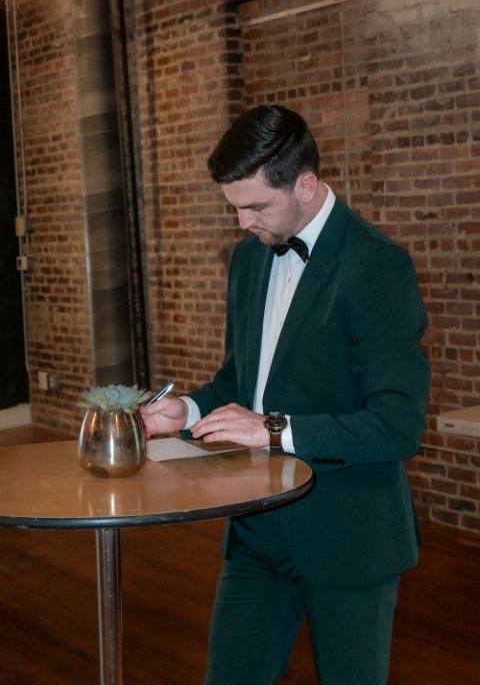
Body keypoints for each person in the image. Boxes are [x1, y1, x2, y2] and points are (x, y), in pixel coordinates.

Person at [141, 104, 430, 685]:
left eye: (255, 207)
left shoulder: (377, 266)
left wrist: (270, 428)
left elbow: (397, 426)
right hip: (255, 530)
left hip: (347, 536)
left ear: (305, 184)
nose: (241, 222)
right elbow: (240, 382)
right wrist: (187, 408)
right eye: (234, 207)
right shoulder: (250, 257)